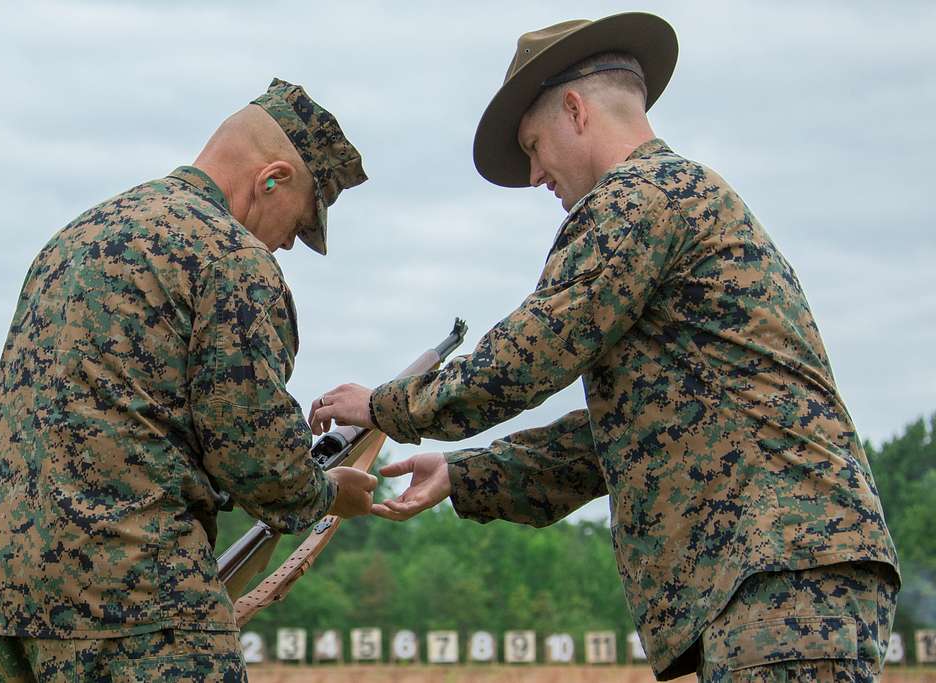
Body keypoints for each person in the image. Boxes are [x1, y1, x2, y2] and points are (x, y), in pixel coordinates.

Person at [308, 13, 899, 681]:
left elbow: (523, 358)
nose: (534, 175)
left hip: (777, 573)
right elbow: (633, 436)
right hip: (785, 571)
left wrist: (382, 405)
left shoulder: (639, 199)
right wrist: (466, 475)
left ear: (574, 109)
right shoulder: (684, 198)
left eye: (533, 145)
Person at [0, 78, 377, 682]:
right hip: (138, 605)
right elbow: (260, 462)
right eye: (304, 219)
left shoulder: (75, 237)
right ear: (273, 178)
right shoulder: (230, 258)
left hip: (9, 603)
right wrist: (327, 491)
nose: (290, 241)